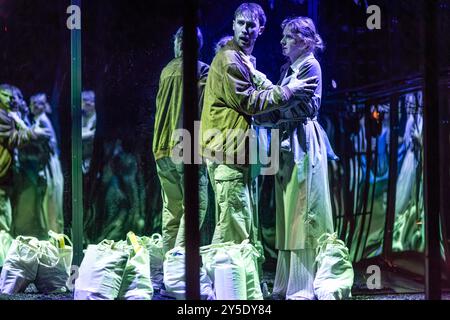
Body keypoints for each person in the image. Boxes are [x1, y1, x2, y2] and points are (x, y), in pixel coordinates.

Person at [200, 3, 318, 255]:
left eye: (251, 25)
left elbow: (258, 88)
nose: (245, 29)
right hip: (227, 152)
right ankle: (227, 287)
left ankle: (232, 284)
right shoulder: (230, 59)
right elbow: (250, 101)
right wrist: (288, 91)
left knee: (236, 222)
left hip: (233, 152)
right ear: (233, 24)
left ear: (260, 30)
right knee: (234, 226)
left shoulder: (241, 59)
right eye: (241, 23)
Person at [260, 17, 337, 300]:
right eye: (283, 36)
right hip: (287, 140)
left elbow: (298, 104)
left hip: (302, 140)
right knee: (288, 210)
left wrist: (273, 107)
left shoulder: (309, 65)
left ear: (305, 41)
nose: (282, 42)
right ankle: (287, 282)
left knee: (302, 210)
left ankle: (302, 285)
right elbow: (281, 101)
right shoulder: (289, 68)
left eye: (289, 37)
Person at [152, 27, 210, 253]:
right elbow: (204, 111)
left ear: (177, 44)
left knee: (172, 211)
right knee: (195, 207)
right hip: (186, 146)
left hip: (161, 147)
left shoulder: (166, 70)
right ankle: (179, 265)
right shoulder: (201, 70)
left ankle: (168, 269)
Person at [0, 85, 50, 236]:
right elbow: (14, 138)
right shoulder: (3, 116)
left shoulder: (10, 114)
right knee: (5, 218)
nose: (11, 99)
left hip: (15, 174)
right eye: (5, 95)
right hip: (7, 176)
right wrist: (32, 133)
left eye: (13, 97)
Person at [12, 93, 64, 237]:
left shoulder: (43, 120)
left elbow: (47, 140)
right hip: (45, 164)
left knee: (52, 201)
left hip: (50, 164)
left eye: (38, 104)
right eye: (33, 103)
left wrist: (18, 120)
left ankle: (55, 238)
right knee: (46, 202)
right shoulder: (37, 120)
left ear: (44, 106)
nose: (34, 106)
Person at [82, 90, 96, 175]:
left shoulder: (96, 117)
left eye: (90, 102)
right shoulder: (80, 117)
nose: (87, 104)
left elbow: (93, 135)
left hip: (91, 155)